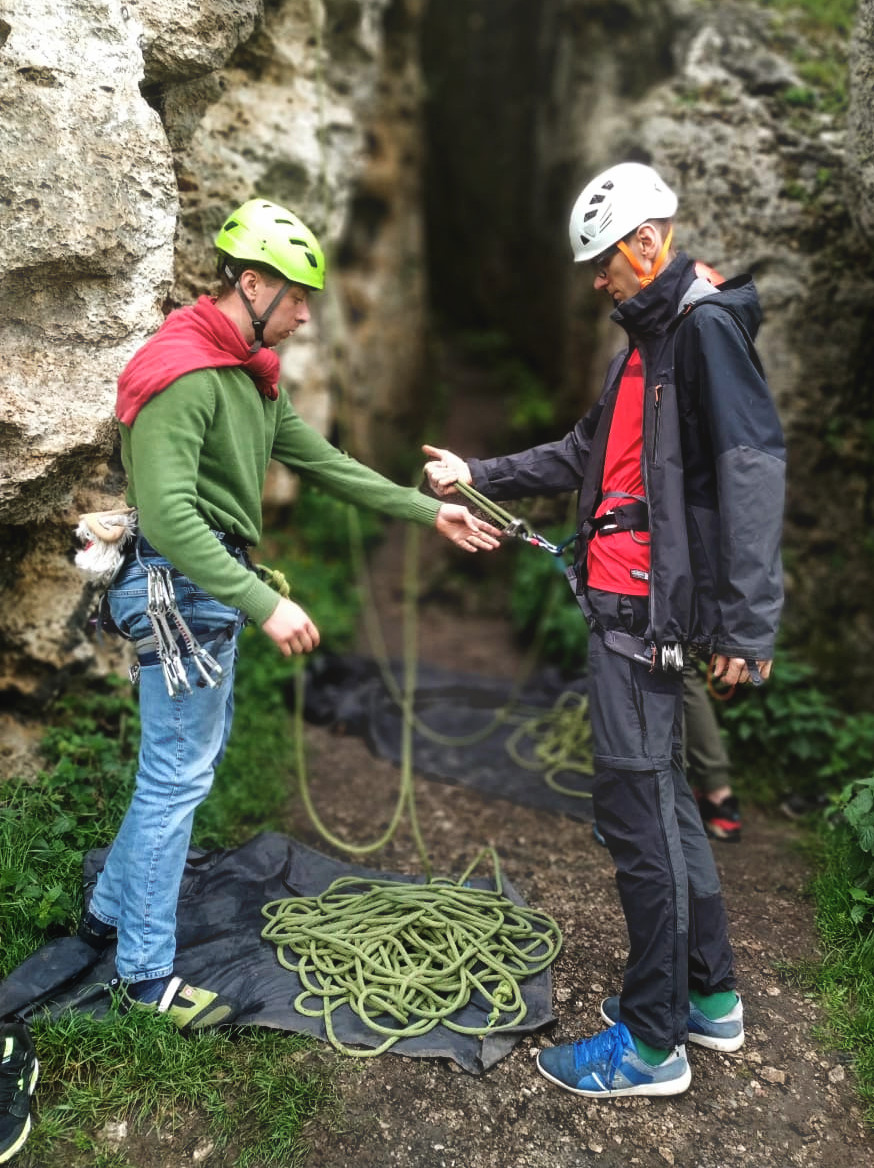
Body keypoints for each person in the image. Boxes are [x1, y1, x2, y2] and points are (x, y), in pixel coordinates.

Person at [77, 197, 501, 1028]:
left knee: (180, 771)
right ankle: (143, 978)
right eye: (298, 295)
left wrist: (430, 511)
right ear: (251, 283)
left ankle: (106, 917)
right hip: (179, 589)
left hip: (203, 588)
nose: (307, 313)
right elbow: (166, 519)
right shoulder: (183, 374)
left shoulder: (246, 378)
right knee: (175, 779)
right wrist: (264, 601)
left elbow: (326, 463)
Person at [423, 161, 785, 1098]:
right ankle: (708, 999)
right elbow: (587, 451)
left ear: (645, 244)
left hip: (643, 617)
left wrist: (747, 626)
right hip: (628, 605)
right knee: (666, 806)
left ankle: (651, 1044)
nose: (596, 281)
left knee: (637, 815)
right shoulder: (649, 345)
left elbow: (750, 467)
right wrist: (478, 472)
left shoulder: (700, 333)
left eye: (603, 261)